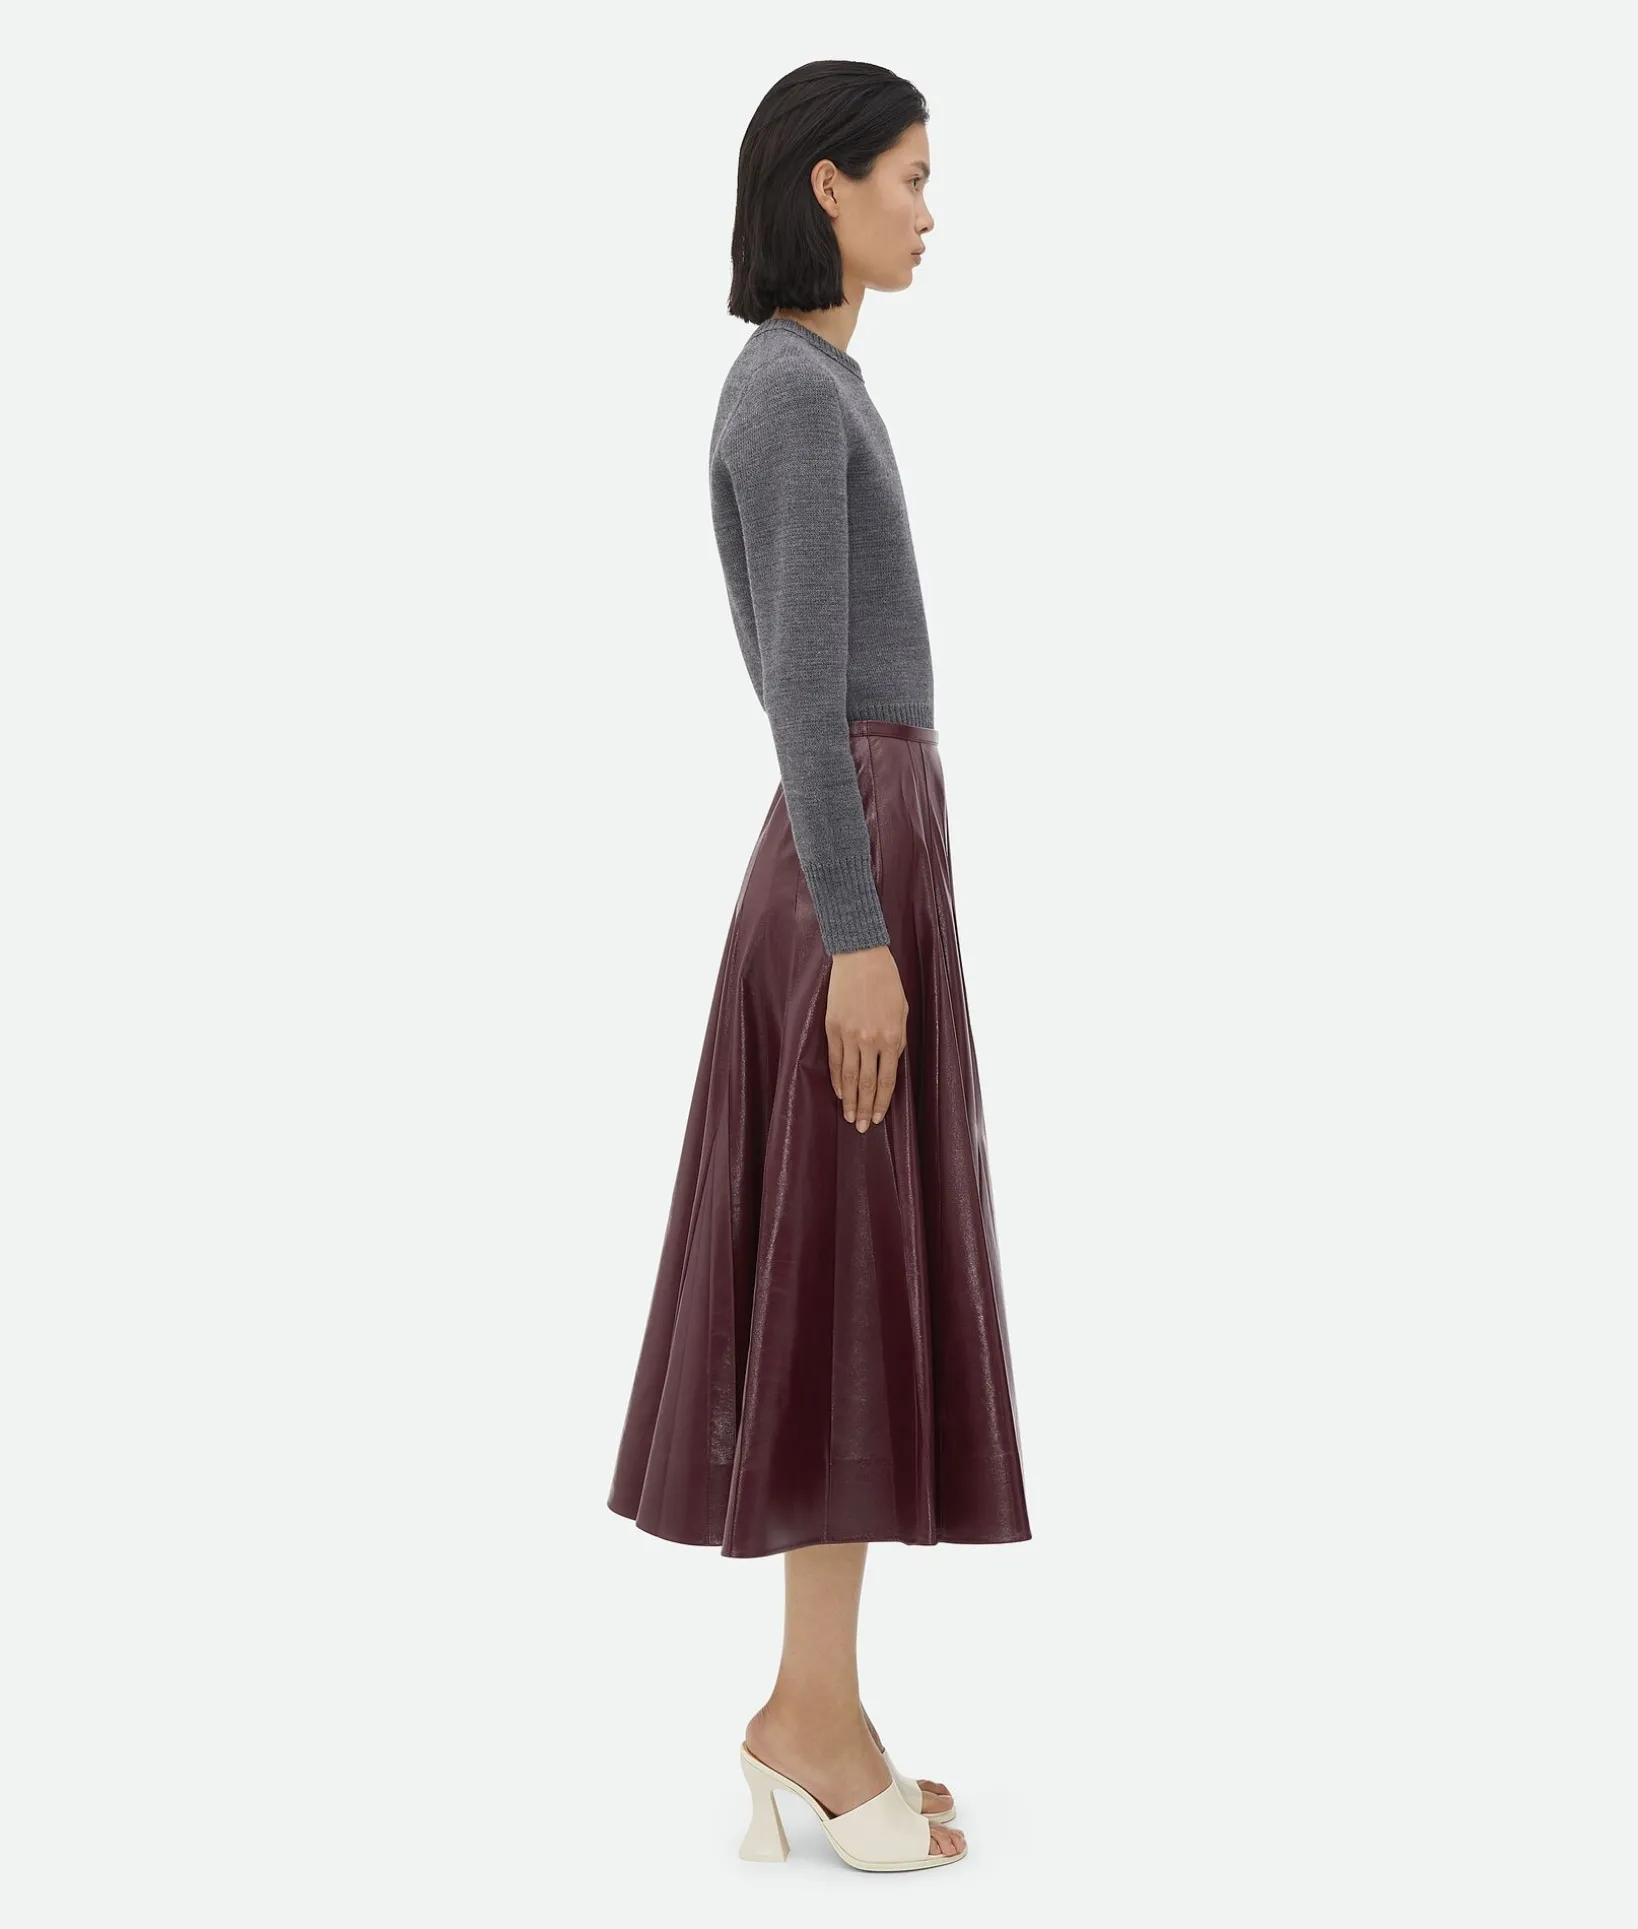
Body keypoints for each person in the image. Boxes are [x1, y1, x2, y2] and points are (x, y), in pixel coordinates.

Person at [606, 60, 1031, 1874]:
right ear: (826, 186)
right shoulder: (788, 392)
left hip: (871, 845)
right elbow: (799, 686)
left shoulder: (820, 386)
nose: (931, 209)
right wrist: (857, 936)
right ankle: (812, 1721)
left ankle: (812, 1710)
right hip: (847, 865)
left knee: (850, 1294)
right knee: (842, 1296)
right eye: (909, 175)